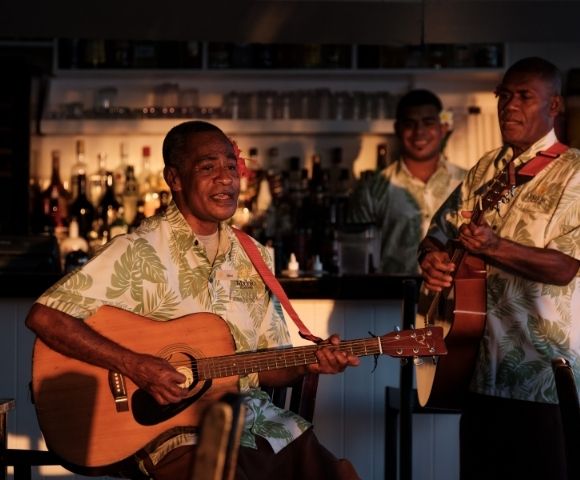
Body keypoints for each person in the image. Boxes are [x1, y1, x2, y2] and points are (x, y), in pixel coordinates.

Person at [25, 120, 361, 480]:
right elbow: (45, 317)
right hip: (170, 432)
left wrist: (311, 362)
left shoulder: (254, 256)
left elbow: (266, 362)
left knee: (336, 474)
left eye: (231, 166)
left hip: (255, 420)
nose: (226, 178)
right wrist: (135, 365)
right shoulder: (137, 251)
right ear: (175, 179)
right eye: (208, 167)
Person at [418, 57, 580, 480]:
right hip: (475, 367)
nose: (509, 105)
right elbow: (437, 232)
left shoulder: (575, 174)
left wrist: (496, 247)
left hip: (541, 375)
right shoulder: (485, 168)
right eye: (503, 96)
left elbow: (565, 267)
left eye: (524, 96)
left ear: (555, 106)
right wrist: (430, 259)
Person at [346, 89, 466, 274]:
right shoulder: (373, 189)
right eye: (410, 124)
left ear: (443, 128)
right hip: (391, 298)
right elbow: (356, 255)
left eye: (428, 122)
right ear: (397, 129)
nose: (419, 132)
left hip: (452, 297)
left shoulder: (468, 183)